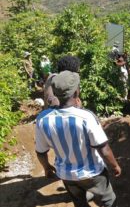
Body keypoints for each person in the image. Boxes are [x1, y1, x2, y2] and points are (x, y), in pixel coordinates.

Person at [35, 70, 121, 207]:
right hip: (92, 173)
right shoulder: (86, 117)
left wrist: (46, 168)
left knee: (79, 201)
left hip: (66, 174)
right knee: (108, 199)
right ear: (76, 92)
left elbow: (40, 152)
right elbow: (103, 149)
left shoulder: (43, 119)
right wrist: (115, 166)